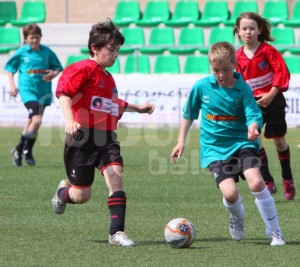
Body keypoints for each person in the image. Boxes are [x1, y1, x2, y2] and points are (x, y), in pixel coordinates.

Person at [51, 19, 155, 247]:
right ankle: (62, 193)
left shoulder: (108, 77)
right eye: (111, 49)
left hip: (107, 138)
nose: (116, 54)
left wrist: (139, 108)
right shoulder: (82, 68)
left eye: (118, 50)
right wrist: (69, 119)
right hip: (82, 138)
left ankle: (116, 233)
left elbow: (113, 104)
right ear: (95, 48)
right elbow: (64, 93)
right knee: (81, 196)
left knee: (116, 176)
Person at [170, 42, 286, 246]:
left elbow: (253, 113)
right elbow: (188, 115)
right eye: (216, 70)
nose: (221, 74)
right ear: (210, 67)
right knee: (231, 194)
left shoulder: (243, 88)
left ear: (234, 65)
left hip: (242, 142)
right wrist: (181, 141)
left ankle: (275, 232)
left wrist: (253, 126)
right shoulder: (201, 87)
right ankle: (236, 216)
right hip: (214, 148)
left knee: (257, 182)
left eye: (226, 69)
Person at [233, 12, 295, 200]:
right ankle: (268, 180)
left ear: (260, 30)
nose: (248, 32)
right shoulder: (237, 56)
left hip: (273, 100)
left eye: (252, 28)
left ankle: (288, 179)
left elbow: (281, 72)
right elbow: (238, 83)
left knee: (279, 141)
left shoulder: (268, 51)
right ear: (238, 31)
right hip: (253, 104)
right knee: (254, 140)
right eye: (244, 29)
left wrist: (271, 94)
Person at [5, 23, 63, 167]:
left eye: (36, 37)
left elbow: (58, 68)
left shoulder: (47, 52)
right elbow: (10, 69)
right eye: (31, 38)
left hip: (43, 91)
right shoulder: (21, 53)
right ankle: (27, 150)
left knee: (31, 122)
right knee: (36, 120)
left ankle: (17, 149)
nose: (34, 40)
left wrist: (53, 74)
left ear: (40, 37)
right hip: (27, 90)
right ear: (25, 39)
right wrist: (12, 85)